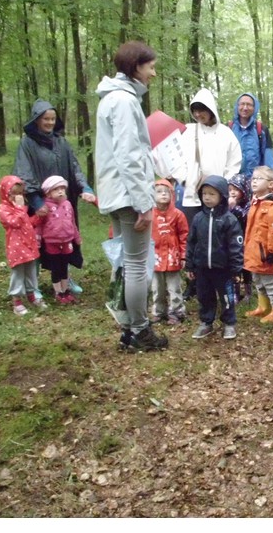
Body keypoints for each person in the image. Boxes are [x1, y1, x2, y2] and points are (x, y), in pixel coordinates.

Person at [95, 40, 168, 352]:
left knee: (127, 263)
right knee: (137, 265)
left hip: (116, 192)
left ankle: (128, 329)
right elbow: (129, 156)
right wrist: (144, 203)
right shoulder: (124, 102)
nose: (153, 72)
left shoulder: (111, 99)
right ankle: (139, 331)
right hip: (129, 195)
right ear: (135, 66)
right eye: (150, 66)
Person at [13, 99, 97, 295]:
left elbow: (74, 168)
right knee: (35, 243)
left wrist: (86, 187)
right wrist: (37, 202)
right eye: (45, 119)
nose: (50, 123)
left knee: (63, 239)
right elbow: (24, 174)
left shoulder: (61, 142)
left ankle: (65, 279)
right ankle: (32, 286)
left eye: (52, 119)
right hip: (40, 206)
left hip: (62, 205)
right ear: (37, 120)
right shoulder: (27, 144)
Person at [185, 176, 244, 340]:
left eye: (212, 194)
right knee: (204, 296)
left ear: (222, 196)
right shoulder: (198, 218)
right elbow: (191, 242)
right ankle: (206, 322)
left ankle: (229, 323)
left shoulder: (229, 220)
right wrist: (190, 265)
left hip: (223, 269)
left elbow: (236, 246)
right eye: (204, 194)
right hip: (202, 268)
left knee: (226, 297)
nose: (207, 197)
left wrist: (236, 269)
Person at [174, 88, 243, 225]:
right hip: (191, 195)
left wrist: (221, 185)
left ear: (211, 109)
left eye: (201, 110)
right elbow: (177, 160)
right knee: (192, 234)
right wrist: (186, 181)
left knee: (216, 234)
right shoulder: (188, 131)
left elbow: (234, 163)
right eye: (195, 111)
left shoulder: (225, 134)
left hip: (216, 196)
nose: (198, 114)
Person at [243, 166, 273, 323]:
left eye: (259, 178)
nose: (254, 181)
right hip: (255, 253)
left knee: (271, 283)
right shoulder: (256, 203)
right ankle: (263, 306)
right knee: (259, 281)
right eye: (253, 178)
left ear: (270, 184)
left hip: (267, 255)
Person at [0, 175, 45, 315]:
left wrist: (38, 217)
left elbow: (27, 223)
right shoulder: (4, 208)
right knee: (18, 273)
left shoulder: (21, 209)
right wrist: (19, 208)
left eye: (21, 193)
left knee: (31, 271)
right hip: (16, 247)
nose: (18, 197)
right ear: (6, 193)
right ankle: (16, 301)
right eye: (15, 193)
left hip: (29, 244)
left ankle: (31, 296)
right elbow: (15, 223)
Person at [35, 176, 83, 305]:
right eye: (56, 189)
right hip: (52, 242)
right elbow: (39, 225)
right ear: (48, 192)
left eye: (62, 188)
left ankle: (66, 289)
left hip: (67, 241)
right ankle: (58, 292)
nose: (61, 191)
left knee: (65, 267)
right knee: (56, 267)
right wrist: (37, 239)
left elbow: (72, 222)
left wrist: (76, 238)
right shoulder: (45, 207)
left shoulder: (68, 205)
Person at [150, 179, 189, 326]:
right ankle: (158, 311)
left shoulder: (178, 215)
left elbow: (184, 236)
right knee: (157, 287)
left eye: (166, 192)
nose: (163, 195)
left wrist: (184, 255)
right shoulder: (150, 214)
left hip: (173, 257)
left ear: (172, 194)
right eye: (159, 192)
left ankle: (177, 311)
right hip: (155, 258)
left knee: (174, 287)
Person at [229, 93, 273, 176]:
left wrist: (269, 178)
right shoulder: (229, 128)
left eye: (249, 105)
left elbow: (268, 157)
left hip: (256, 180)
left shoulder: (261, 129)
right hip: (232, 180)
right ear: (237, 106)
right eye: (242, 104)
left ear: (255, 108)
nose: (245, 108)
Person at [228, 173, 253, 302]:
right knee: (234, 267)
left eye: (235, 190)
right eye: (230, 190)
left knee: (246, 267)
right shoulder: (226, 204)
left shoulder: (248, 204)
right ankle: (235, 293)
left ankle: (248, 292)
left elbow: (246, 217)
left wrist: (234, 207)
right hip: (232, 241)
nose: (232, 193)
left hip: (245, 240)